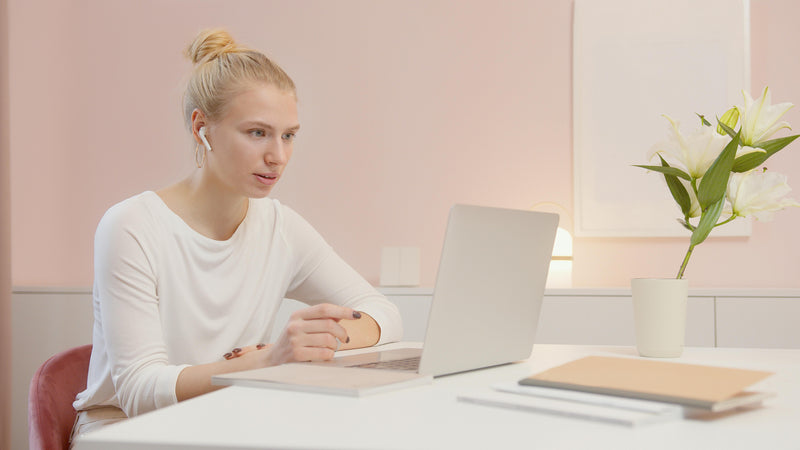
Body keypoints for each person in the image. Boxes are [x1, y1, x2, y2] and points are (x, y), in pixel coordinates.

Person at [70, 28, 402, 444]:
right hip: (124, 432)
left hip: (224, 423)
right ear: (201, 128)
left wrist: (315, 342)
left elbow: (384, 313)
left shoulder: (280, 228)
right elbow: (139, 392)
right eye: (257, 133)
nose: (278, 156)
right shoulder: (131, 226)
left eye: (289, 135)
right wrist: (267, 361)